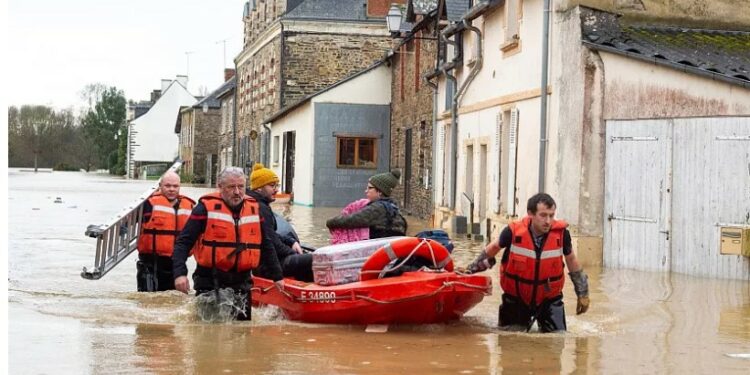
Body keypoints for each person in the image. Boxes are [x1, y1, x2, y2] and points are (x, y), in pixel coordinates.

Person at [465, 193, 590, 332]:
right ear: (530, 213)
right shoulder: (512, 232)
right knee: (511, 340)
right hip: (516, 299)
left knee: (558, 339)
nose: (548, 221)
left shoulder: (561, 234)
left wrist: (583, 293)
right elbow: (492, 249)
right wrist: (470, 269)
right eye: (543, 215)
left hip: (549, 300)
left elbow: (571, 260)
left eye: (551, 215)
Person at [171, 167, 284, 320]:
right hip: (210, 280)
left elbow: (266, 243)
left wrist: (277, 276)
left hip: (242, 281)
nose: (237, 192)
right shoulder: (204, 209)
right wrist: (180, 274)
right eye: (231, 187)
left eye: (241, 187)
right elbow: (183, 243)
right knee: (208, 334)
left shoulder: (254, 209)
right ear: (220, 187)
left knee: (242, 333)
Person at [247, 163, 314, 282]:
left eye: (276, 185)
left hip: (263, 264)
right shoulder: (261, 208)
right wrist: (294, 253)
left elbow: (270, 234)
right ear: (259, 187)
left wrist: (291, 241)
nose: (276, 189)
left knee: (305, 258)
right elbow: (272, 243)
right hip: (269, 267)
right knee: (315, 259)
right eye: (272, 186)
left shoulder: (257, 204)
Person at [136, 171, 195, 292]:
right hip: (150, 263)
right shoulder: (148, 204)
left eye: (175, 186)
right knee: (148, 301)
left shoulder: (190, 206)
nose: (172, 189)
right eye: (167, 186)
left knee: (174, 302)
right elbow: (128, 221)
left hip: (177, 263)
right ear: (160, 186)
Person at [325, 170, 407, 239]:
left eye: (370, 188)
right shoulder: (394, 207)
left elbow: (354, 219)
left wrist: (331, 222)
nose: (366, 191)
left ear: (380, 191)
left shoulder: (378, 208)